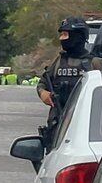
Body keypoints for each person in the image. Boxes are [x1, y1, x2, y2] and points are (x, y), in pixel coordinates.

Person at [36, 17, 93, 146]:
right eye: (61, 34)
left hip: (83, 123)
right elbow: (42, 83)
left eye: (65, 34)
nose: (62, 38)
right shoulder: (58, 62)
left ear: (78, 36)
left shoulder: (92, 63)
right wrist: (43, 93)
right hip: (57, 124)